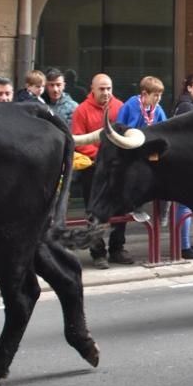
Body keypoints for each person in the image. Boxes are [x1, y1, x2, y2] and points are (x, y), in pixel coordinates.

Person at [71, 73, 130, 269]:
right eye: (102, 89)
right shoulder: (81, 111)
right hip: (93, 170)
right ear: (92, 89)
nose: (106, 92)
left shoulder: (120, 107)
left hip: (117, 168)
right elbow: (78, 141)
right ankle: (98, 252)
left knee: (121, 208)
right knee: (94, 210)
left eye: (109, 88)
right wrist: (101, 156)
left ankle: (117, 249)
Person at [172, 74, 193, 259]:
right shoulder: (186, 106)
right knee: (185, 206)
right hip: (185, 162)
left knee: (186, 206)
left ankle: (184, 245)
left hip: (186, 160)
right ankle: (183, 247)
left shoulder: (191, 104)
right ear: (189, 87)